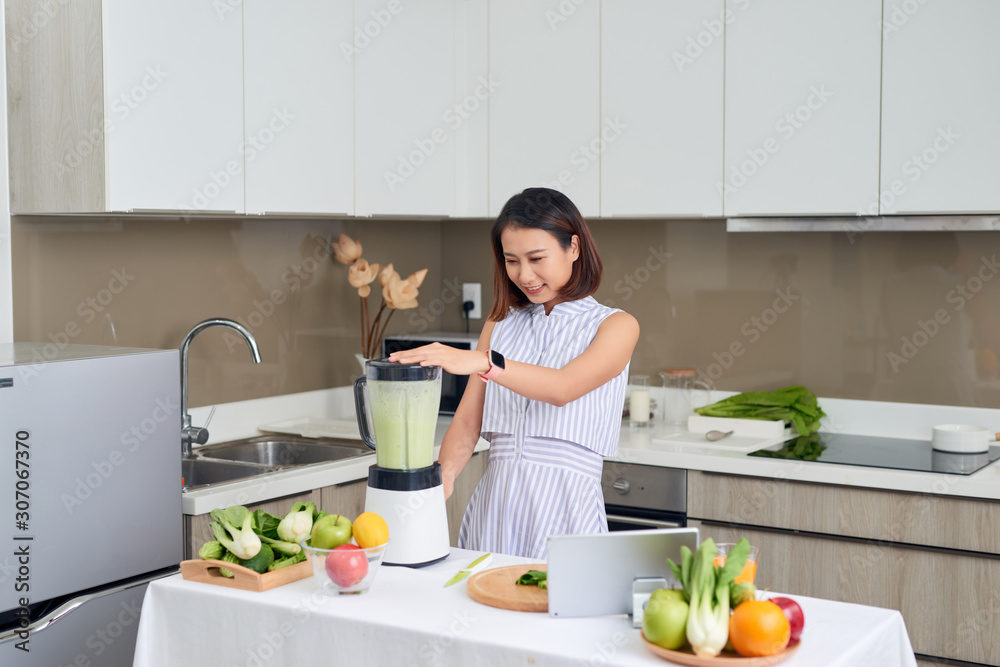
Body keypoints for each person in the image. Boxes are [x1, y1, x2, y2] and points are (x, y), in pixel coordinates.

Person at [387, 187, 639, 558]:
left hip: (566, 512)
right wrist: (443, 478)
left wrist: (484, 362)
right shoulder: (501, 322)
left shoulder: (615, 326)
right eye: (511, 260)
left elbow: (562, 388)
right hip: (496, 509)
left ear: (573, 247)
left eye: (537, 258)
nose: (525, 274)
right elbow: (469, 422)